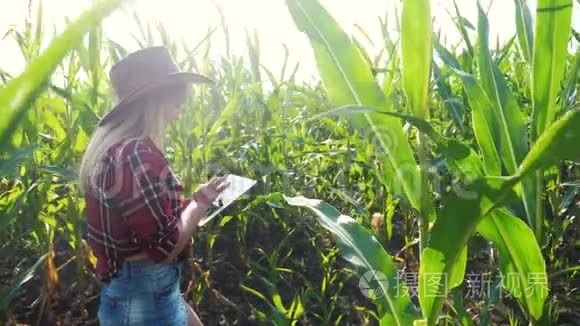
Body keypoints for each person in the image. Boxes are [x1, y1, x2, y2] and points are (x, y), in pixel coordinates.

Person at [79, 46, 228, 325]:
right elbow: (163, 249)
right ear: (157, 98)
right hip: (143, 293)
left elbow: (146, 225)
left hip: (142, 288)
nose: (183, 103)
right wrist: (200, 205)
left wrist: (195, 199)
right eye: (177, 93)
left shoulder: (116, 150)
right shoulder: (136, 154)